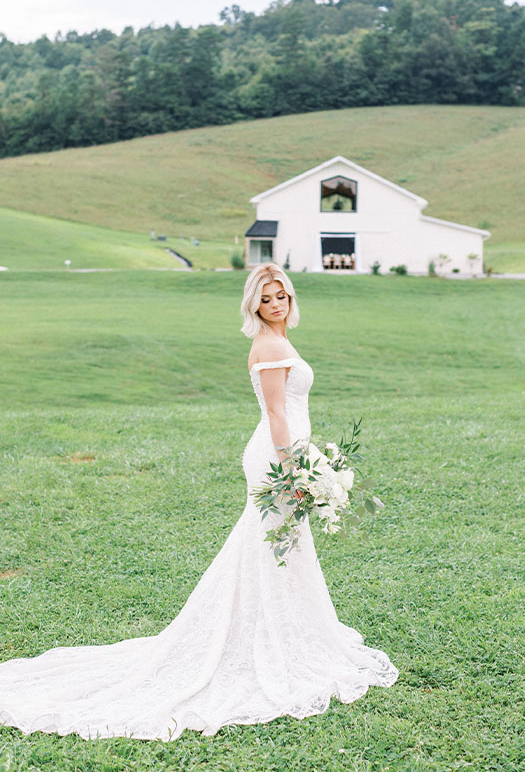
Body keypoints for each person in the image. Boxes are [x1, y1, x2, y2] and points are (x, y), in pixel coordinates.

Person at [0, 263, 399, 742]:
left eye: (283, 297)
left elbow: (290, 410)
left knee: (280, 546)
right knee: (272, 544)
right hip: (277, 458)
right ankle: (267, 641)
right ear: (254, 304)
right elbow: (275, 411)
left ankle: (285, 631)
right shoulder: (269, 345)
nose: (276, 305)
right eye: (267, 299)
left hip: (289, 452)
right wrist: (291, 467)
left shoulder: (280, 339)